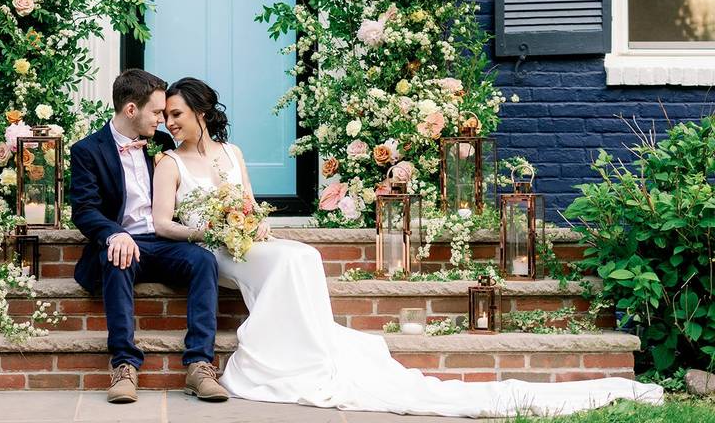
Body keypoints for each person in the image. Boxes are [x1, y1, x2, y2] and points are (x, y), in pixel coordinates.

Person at [151, 76, 664, 417]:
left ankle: (312, 351)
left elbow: (247, 204)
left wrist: (254, 223)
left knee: (301, 254)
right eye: (166, 115)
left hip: (245, 241)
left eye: (177, 113)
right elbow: (162, 224)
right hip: (213, 249)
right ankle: (282, 358)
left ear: (200, 111)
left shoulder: (232, 152)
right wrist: (210, 231)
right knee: (290, 261)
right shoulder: (169, 165)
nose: (170, 122)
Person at [69, 69, 228, 404]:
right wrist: (114, 234)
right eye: (157, 112)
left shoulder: (161, 144)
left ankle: (199, 364)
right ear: (131, 110)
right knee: (116, 259)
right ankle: (124, 365)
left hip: (163, 240)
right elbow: (84, 210)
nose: (164, 120)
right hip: (124, 243)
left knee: (203, 260)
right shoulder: (88, 151)